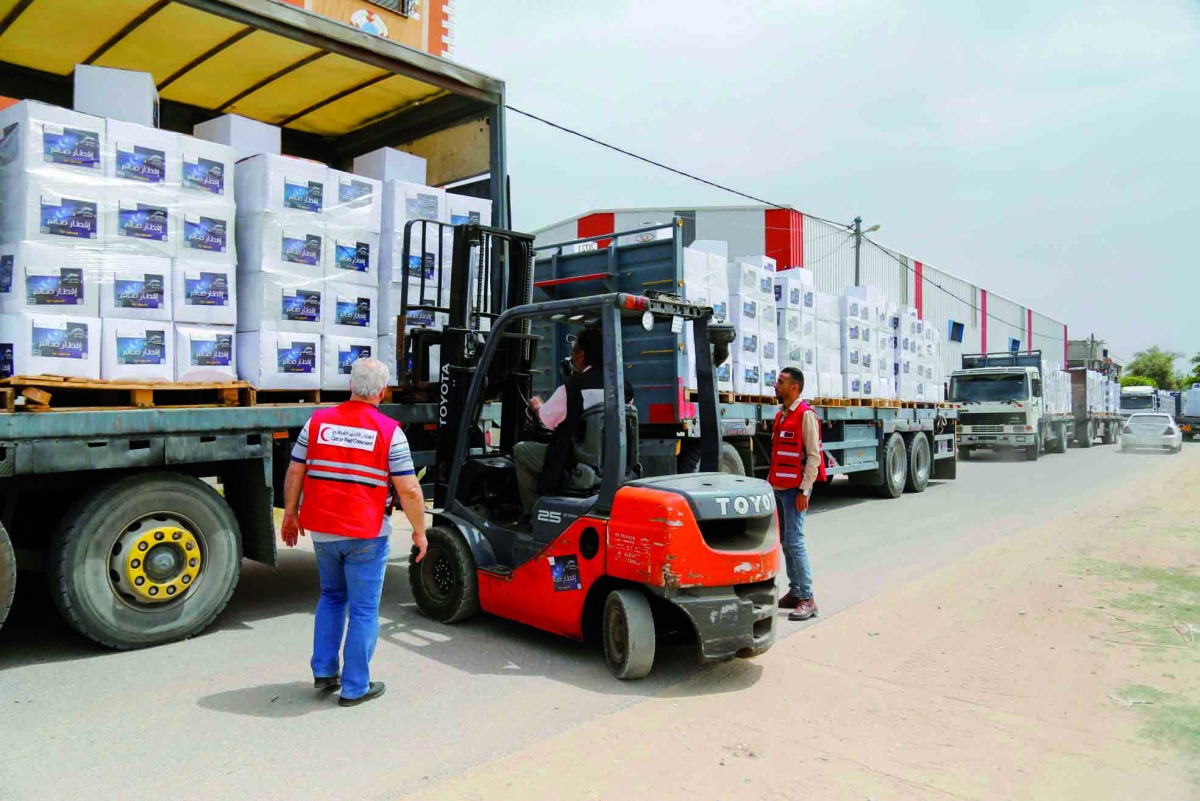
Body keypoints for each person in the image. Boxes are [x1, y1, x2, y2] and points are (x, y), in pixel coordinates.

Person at [281, 357, 428, 707]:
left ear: (350, 387)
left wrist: (289, 513)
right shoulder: (390, 431)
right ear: (382, 391)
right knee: (363, 610)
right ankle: (354, 687)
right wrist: (420, 532)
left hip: (323, 532)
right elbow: (408, 490)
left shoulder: (316, 423)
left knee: (332, 597)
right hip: (366, 533)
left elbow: (295, 472)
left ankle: (324, 672)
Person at [512, 327, 607, 517]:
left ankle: (532, 513)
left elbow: (546, 421)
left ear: (581, 356)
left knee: (521, 450)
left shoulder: (572, 387)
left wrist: (537, 406)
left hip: (576, 460)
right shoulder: (622, 386)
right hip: (609, 459)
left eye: (573, 353)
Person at [769, 366, 825, 621]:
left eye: (780, 382)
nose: (775, 385)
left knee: (795, 542)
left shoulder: (805, 416)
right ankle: (795, 592)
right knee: (785, 543)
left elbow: (814, 457)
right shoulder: (782, 416)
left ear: (794, 387)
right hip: (779, 489)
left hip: (794, 491)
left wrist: (805, 490)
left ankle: (808, 598)